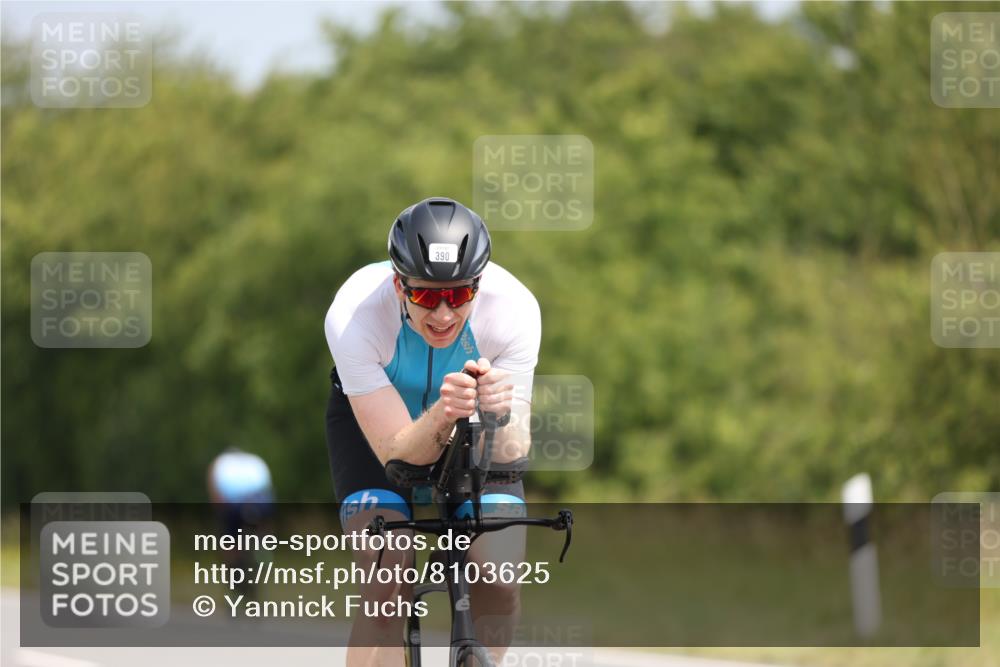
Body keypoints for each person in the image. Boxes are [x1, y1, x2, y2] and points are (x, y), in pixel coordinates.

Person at [324, 197, 541, 666]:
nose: (442, 314)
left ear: (478, 286)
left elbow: (515, 449)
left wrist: (500, 414)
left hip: (473, 424)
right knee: (387, 580)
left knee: (499, 579)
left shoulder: (515, 309)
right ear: (399, 284)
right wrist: (444, 414)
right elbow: (399, 455)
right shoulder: (355, 313)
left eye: (459, 295)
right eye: (425, 296)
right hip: (379, 429)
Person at [207, 447, 275, 601]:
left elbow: (214, 488)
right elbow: (268, 489)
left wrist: (218, 508)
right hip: (261, 504)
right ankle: (263, 551)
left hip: (233, 506)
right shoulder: (255, 460)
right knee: (262, 527)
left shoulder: (221, 462)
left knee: (229, 544)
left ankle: (233, 568)